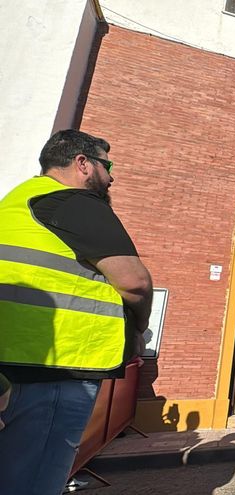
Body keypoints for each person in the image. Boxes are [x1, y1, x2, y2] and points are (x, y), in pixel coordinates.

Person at [0, 130, 153, 494]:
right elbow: (134, 282)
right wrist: (139, 328)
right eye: (107, 164)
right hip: (57, 365)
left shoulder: (16, 203)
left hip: (16, 361)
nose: (111, 176)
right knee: (35, 480)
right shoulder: (72, 202)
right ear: (82, 163)